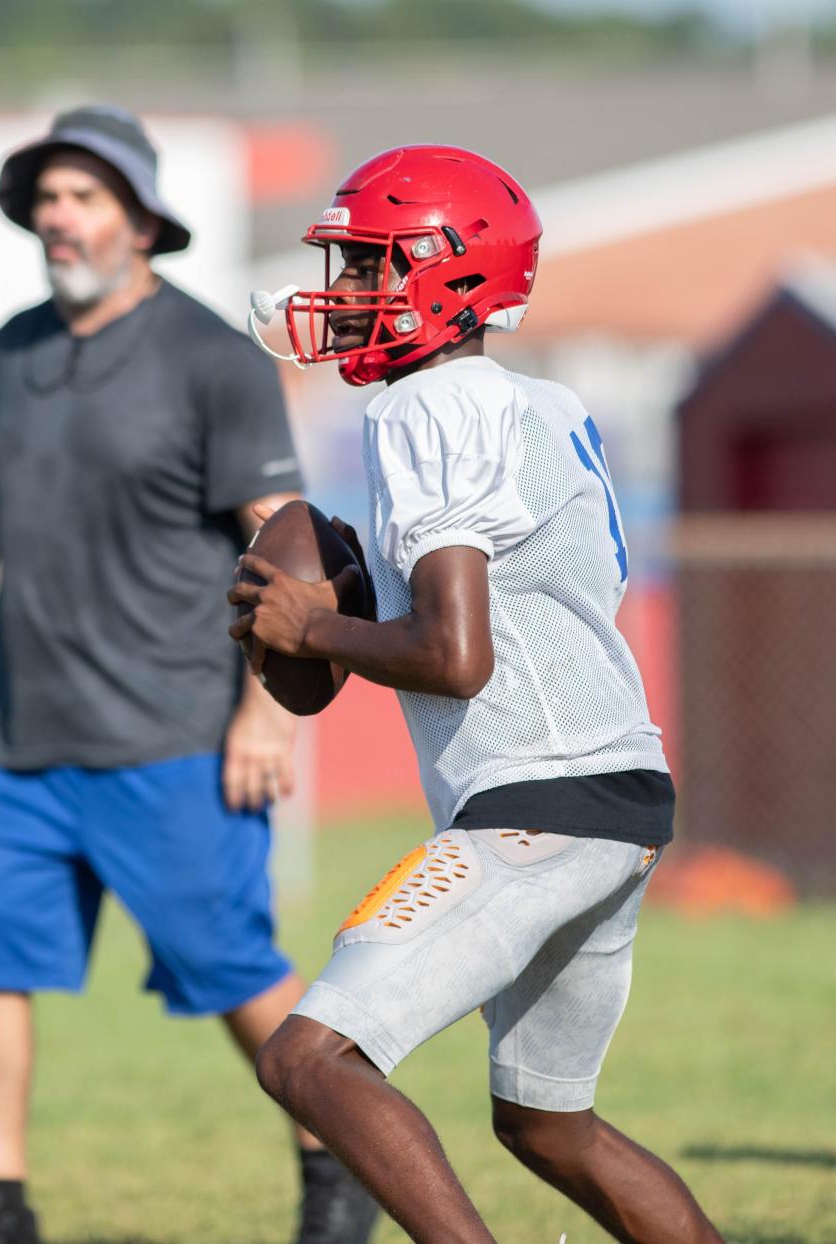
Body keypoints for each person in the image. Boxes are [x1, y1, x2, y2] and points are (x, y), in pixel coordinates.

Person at [0, 105, 378, 1244]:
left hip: (174, 732)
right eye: (48, 199)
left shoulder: (213, 357)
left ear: (143, 220)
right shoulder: (14, 346)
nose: (60, 218)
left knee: (231, 966)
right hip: (19, 731)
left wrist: (269, 709)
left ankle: (335, 1165)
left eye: (85, 197)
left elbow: (287, 541)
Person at [231, 145, 725, 1244]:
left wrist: (317, 626)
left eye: (367, 267)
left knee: (308, 1057)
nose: (345, 292)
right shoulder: (537, 399)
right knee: (550, 1127)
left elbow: (459, 654)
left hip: (539, 803)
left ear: (446, 275)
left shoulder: (430, 406)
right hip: (620, 791)